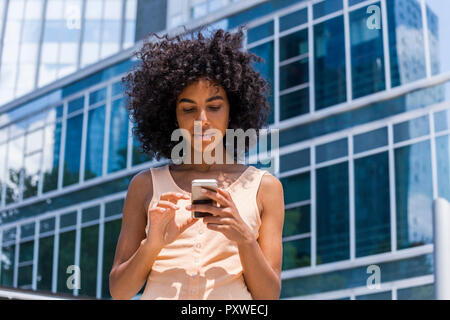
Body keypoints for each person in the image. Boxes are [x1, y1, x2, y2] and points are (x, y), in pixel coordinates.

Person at [109, 26, 285, 300]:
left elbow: (269, 296)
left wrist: (245, 238)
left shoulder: (265, 187)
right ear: (172, 116)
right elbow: (120, 291)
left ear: (232, 111)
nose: (202, 120)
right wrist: (153, 243)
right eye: (189, 109)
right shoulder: (145, 185)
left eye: (214, 107)